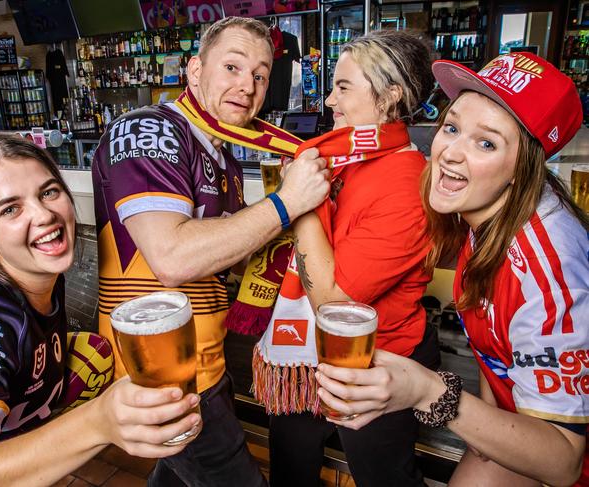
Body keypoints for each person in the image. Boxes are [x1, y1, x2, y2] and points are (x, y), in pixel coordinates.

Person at [315, 52, 589, 486]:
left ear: (523, 168)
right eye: (452, 127)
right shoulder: (483, 217)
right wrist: (489, 424)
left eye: (486, 143)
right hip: (519, 418)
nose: (450, 153)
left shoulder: (548, 266)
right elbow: (494, 349)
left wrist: (430, 391)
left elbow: (563, 461)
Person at [92, 16, 330, 486]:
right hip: (161, 375)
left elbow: (223, 254)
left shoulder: (223, 153)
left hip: (203, 360)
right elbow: (175, 258)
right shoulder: (148, 130)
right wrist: (287, 204)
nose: (248, 86)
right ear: (194, 71)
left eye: (260, 75)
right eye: (233, 67)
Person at [0, 134, 202, 486]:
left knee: (96, 352)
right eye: (10, 209)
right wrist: (96, 422)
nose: (45, 214)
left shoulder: (40, 276)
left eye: (48, 192)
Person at [252, 30, 441, 487]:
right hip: (306, 357)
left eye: (344, 86)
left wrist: (296, 204)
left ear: (390, 96)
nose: (331, 100)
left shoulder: (407, 184)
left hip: (378, 366)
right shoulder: (348, 156)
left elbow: (334, 304)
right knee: (290, 467)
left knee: (384, 479)